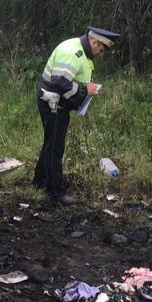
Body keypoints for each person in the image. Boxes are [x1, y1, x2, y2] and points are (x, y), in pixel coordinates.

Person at [32, 26, 120, 204]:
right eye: (101, 49)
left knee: (51, 142)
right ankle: (56, 193)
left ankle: (39, 183)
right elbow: (59, 82)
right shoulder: (74, 52)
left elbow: (69, 79)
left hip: (56, 102)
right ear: (94, 42)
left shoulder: (80, 50)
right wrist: (84, 89)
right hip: (53, 102)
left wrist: (85, 88)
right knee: (55, 147)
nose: (100, 53)